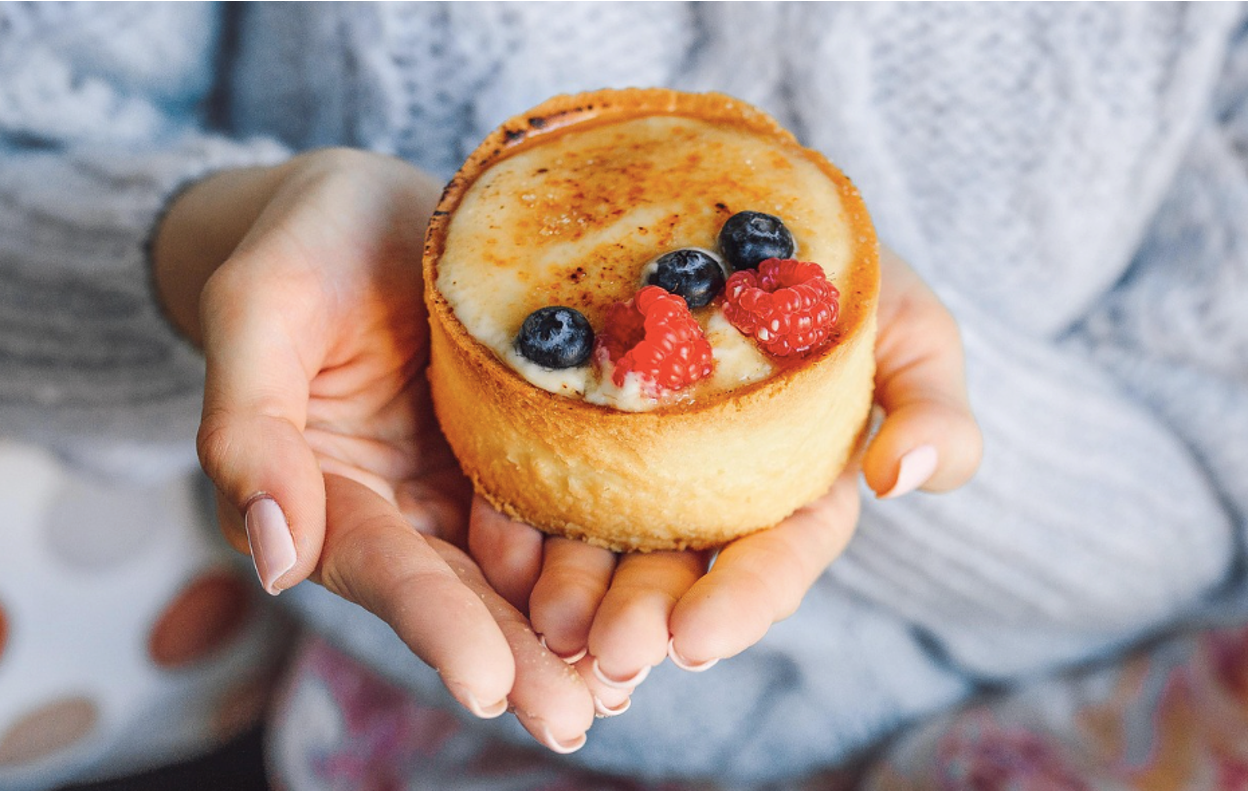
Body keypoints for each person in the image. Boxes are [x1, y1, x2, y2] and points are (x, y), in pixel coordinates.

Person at [2, 2, 1245, 789]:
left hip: (1031, 712)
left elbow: (1203, 505)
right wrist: (216, 245)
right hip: (404, 697)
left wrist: (864, 393)